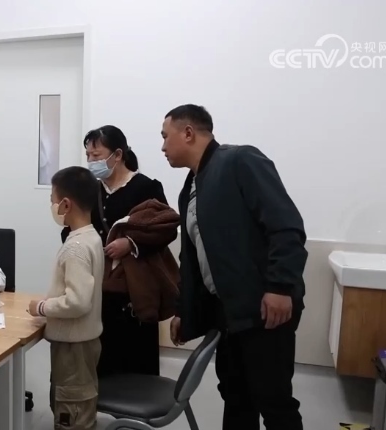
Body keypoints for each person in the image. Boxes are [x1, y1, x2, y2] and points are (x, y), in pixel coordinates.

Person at [162, 104, 306, 430]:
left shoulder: (240, 161)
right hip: (227, 315)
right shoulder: (191, 187)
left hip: (264, 310)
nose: (162, 146)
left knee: (274, 402)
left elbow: (286, 228)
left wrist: (280, 287)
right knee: (236, 396)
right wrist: (183, 309)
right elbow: (192, 258)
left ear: (188, 133)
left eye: (165, 136)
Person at [63, 125, 169, 378]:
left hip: (133, 293)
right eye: (88, 156)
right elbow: (69, 230)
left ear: (118, 155)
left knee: (135, 371)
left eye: (96, 155)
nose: (91, 161)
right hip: (96, 291)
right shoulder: (90, 191)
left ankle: (136, 403)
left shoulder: (146, 187)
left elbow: (165, 229)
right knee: (98, 366)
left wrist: (131, 244)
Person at [29, 166, 104, 430]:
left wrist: (42, 307)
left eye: (53, 200)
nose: (52, 206)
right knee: (75, 403)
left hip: (75, 346)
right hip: (82, 341)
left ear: (66, 204)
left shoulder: (76, 247)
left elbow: (78, 302)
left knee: (73, 412)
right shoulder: (91, 237)